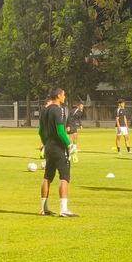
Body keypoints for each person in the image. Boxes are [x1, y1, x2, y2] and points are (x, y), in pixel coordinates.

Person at [39, 87, 78, 217]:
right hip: (58, 147)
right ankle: (64, 210)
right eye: (64, 95)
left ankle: (44, 208)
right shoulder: (59, 109)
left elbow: (41, 131)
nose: (64, 97)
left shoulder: (44, 110)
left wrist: (46, 145)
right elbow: (61, 132)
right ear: (59, 96)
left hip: (49, 146)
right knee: (64, 176)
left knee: (47, 177)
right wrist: (69, 145)